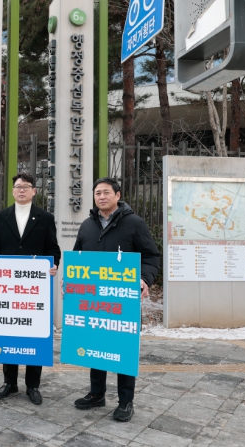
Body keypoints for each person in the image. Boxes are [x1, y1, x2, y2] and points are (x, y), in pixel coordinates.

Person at [72, 177, 159, 422]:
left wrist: (144, 279)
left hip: (122, 300)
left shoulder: (134, 223)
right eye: (97, 193)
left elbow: (151, 256)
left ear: (117, 195)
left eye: (106, 192)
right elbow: (78, 256)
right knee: (95, 346)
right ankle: (96, 394)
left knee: (123, 349)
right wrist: (70, 281)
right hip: (94, 300)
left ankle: (125, 401)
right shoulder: (87, 225)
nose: (101, 196)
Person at [0, 173, 61, 405]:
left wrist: (53, 264)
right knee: (9, 330)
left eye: (26, 186)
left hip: (34, 289)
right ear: (12, 190)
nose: (21, 190)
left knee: (34, 333)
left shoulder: (45, 218)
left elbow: (53, 249)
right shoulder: (0, 216)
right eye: (18, 186)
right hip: (8, 289)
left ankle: (33, 385)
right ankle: (9, 382)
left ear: (34, 191)